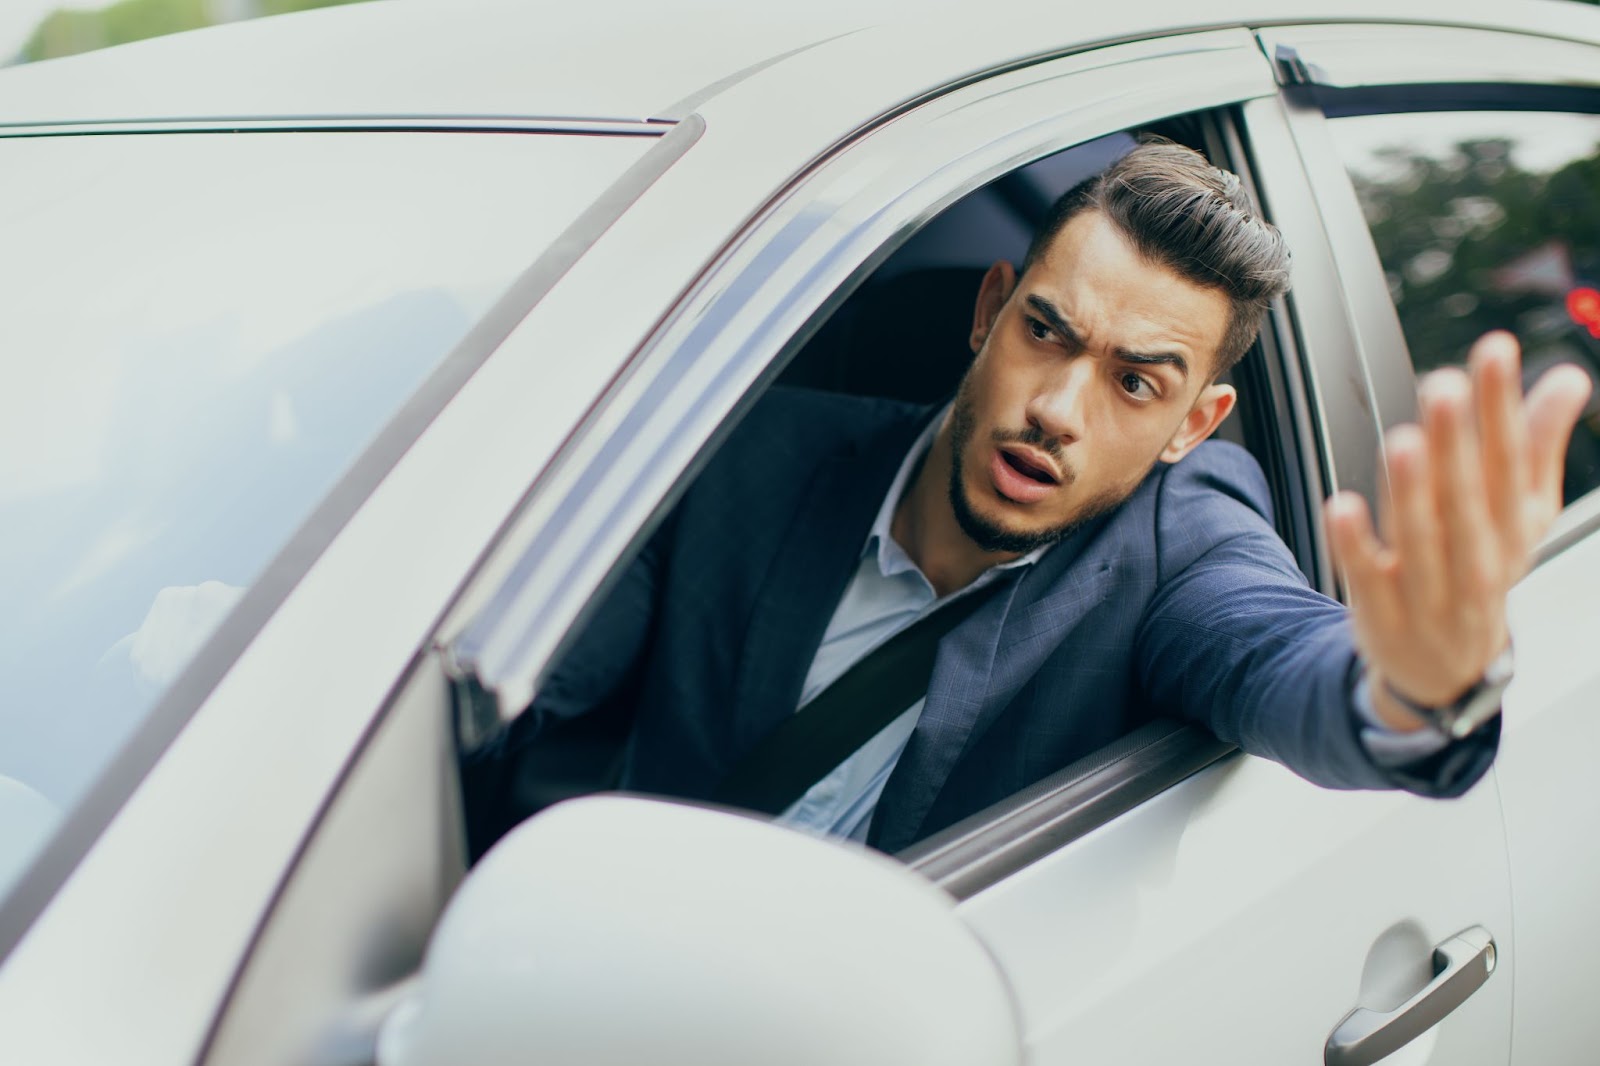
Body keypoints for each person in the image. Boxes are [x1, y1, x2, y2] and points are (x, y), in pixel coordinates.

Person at [465, 138, 1593, 855]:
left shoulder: (1183, 548)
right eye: (1046, 331)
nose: (1057, 406)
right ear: (988, 310)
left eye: (1134, 380)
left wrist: (1419, 685)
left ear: (1191, 426)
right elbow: (511, 680)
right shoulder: (753, 457)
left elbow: (1285, 658)